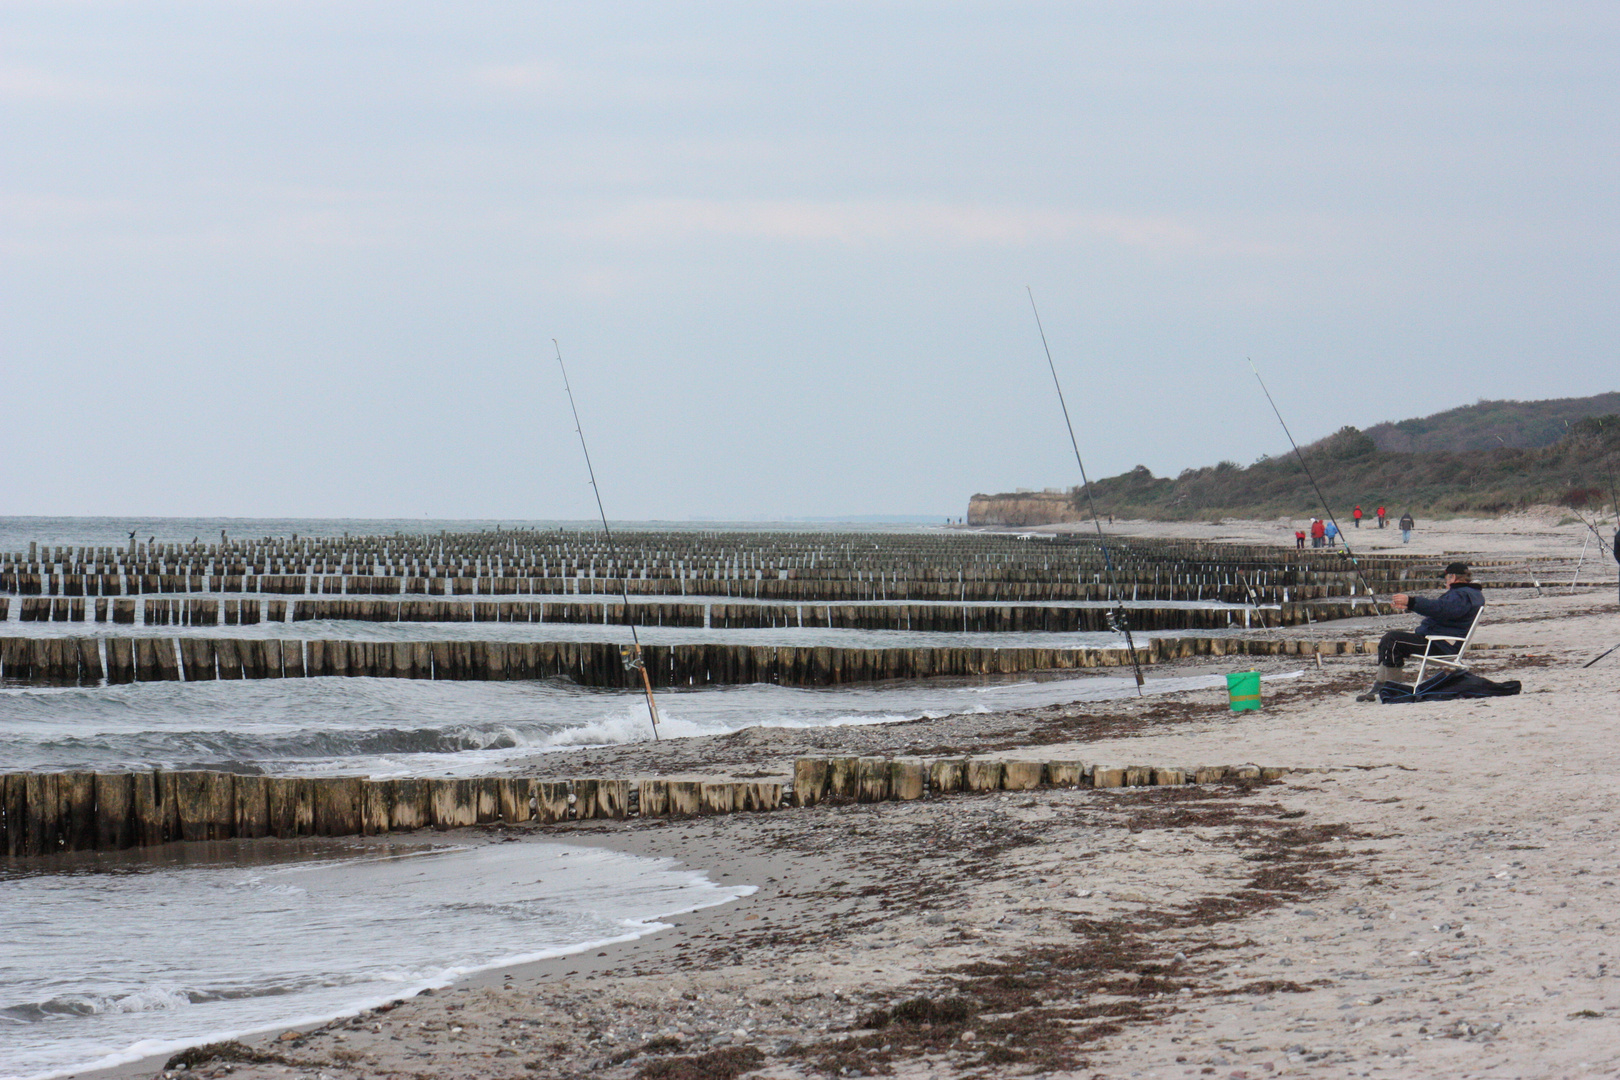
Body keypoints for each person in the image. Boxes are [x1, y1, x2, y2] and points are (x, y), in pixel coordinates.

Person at [1357, 562, 1485, 701]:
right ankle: (1381, 686)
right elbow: (1443, 611)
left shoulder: (1462, 594)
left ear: (1453, 577)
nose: (1445, 583)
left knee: (1392, 640)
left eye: (1446, 579)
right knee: (1390, 641)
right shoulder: (1468, 593)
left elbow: (1441, 609)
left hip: (1441, 645)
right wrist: (1409, 606)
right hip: (1442, 642)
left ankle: (1392, 688)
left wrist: (1411, 602)